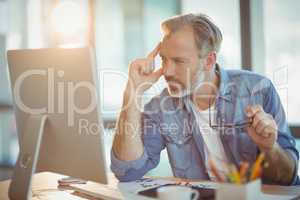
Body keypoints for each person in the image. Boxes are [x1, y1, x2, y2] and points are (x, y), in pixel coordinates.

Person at [111, 13, 299, 185]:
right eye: (163, 60)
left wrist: (269, 148)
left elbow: (286, 178)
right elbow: (127, 171)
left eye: (179, 61)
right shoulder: (161, 107)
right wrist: (133, 92)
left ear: (209, 61)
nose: (166, 71)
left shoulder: (258, 90)